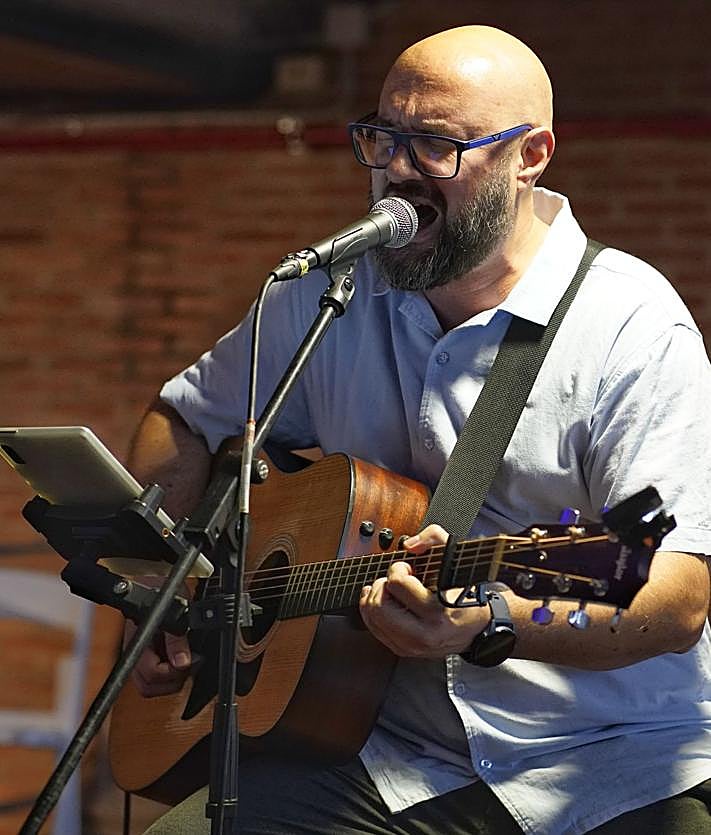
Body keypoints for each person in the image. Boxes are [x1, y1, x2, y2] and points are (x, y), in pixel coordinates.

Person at [128, 25, 711, 835]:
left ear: (530, 154)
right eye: (383, 137)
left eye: (435, 144)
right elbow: (183, 419)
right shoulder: (325, 295)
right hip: (380, 751)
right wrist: (162, 591)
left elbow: (673, 595)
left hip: (611, 762)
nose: (396, 170)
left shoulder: (631, 330)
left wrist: (491, 620)